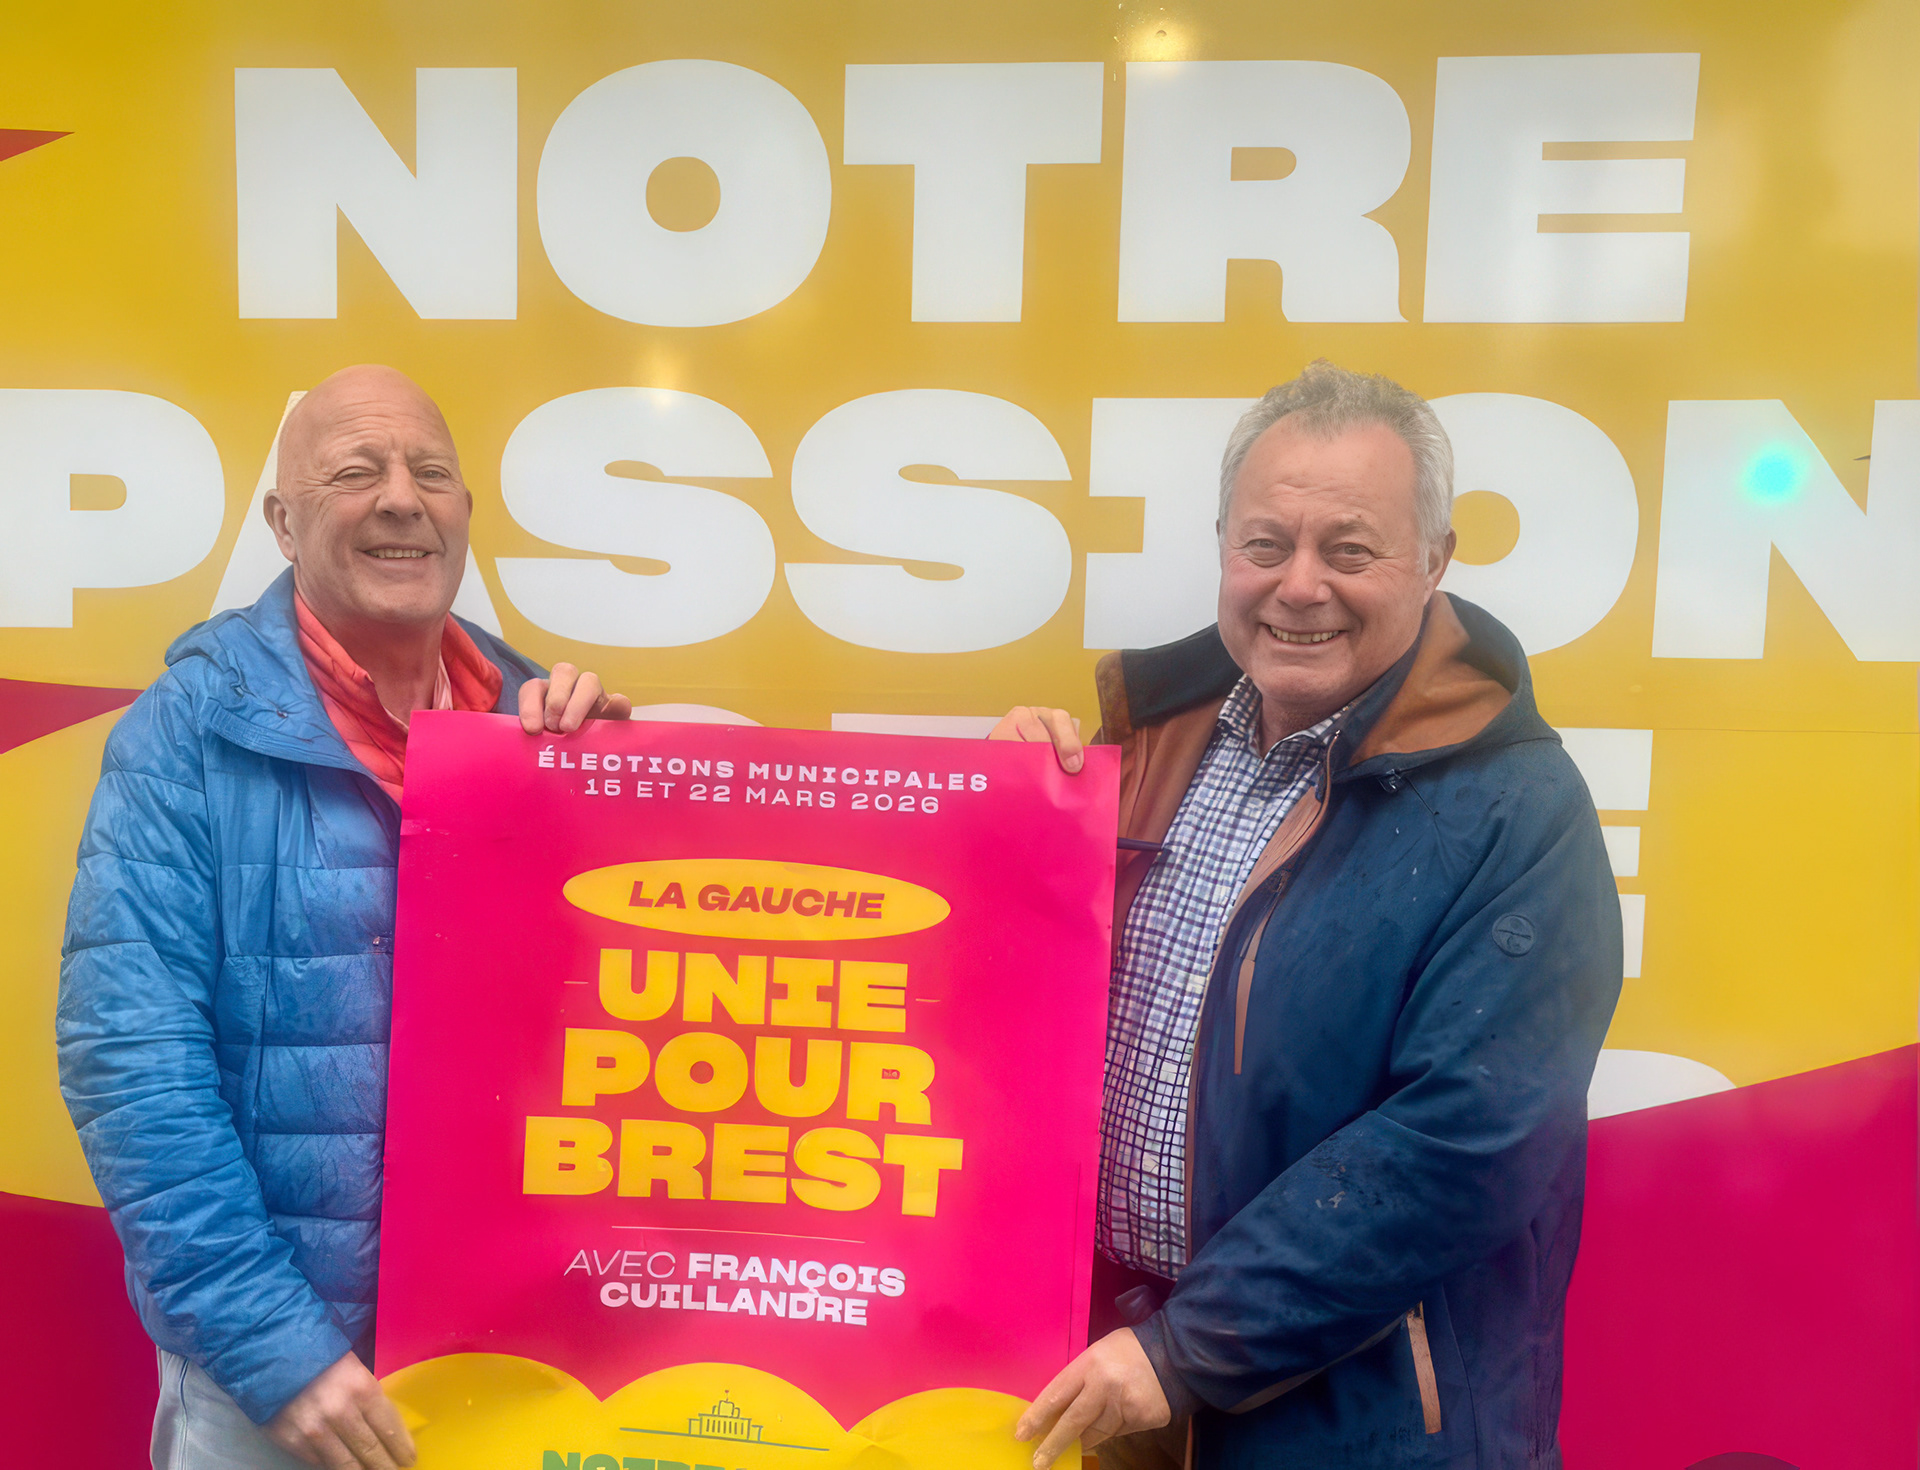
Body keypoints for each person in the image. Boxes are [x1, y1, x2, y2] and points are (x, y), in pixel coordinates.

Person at [1000, 361, 1622, 1468]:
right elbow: (999, 1021)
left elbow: (1466, 1140)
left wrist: (1187, 1350)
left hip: (1358, 1417)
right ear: (1223, 549)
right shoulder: (1137, 748)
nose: (1299, 586)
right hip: (1104, 1379)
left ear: (1434, 561)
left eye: (1350, 550)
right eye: (1265, 545)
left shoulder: (1518, 808)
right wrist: (1002, 825)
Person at [57, 365, 630, 1470]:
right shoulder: (188, 732)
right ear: (284, 523)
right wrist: (274, 1350)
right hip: (289, 1389)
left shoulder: (545, 728)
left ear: (464, 513)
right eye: (356, 472)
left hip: (515, 1362)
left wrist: (613, 787)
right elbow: (131, 1061)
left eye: (430, 473)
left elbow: (633, 1020)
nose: (402, 499)